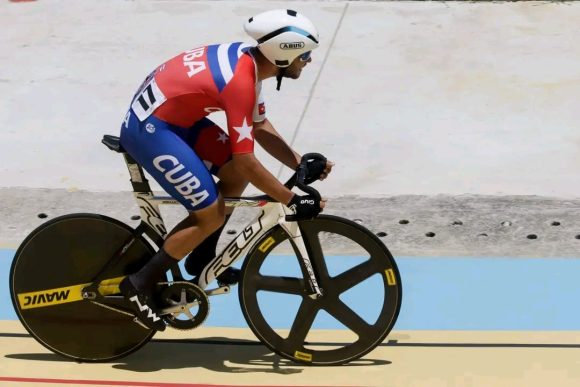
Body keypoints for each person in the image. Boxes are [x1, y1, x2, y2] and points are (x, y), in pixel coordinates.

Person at [118, 9, 334, 331]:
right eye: (304, 55)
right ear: (283, 55)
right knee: (210, 214)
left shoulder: (251, 63)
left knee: (234, 173)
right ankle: (139, 284)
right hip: (150, 130)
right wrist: (291, 200)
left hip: (174, 120)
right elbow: (248, 159)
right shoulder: (241, 82)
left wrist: (298, 161)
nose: (308, 61)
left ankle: (201, 257)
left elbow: (258, 127)